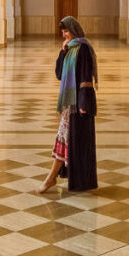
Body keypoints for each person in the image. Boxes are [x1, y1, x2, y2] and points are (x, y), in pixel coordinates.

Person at [37, 15, 98, 194]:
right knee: (65, 140)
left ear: (74, 30)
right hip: (68, 105)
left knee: (67, 139)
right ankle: (52, 177)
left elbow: (87, 78)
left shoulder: (84, 49)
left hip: (79, 104)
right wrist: (63, 52)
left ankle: (51, 178)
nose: (64, 35)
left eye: (66, 31)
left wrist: (83, 103)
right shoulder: (69, 49)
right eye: (63, 32)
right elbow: (59, 74)